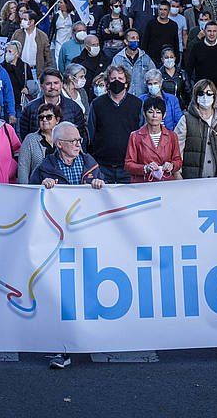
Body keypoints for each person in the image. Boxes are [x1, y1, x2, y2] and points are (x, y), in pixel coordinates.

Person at [31, 119, 104, 371]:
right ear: (59, 144)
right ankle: (62, 348)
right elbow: (29, 196)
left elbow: (107, 198)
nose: (78, 144)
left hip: (86, 240)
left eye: (79, 140)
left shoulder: (90, 164)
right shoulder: (45, 168)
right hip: (58, 243)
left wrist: (98, 186)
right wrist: (43, 187)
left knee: (87, 290)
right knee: (61, 294)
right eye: (73, 141)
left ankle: (88, 338)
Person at [86, 65, 144, 183]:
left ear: (126, 83)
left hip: (129, 166)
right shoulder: (97, 104)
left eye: (120, 79)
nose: (116, 81)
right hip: (102, 166)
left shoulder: (137, 104)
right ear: (107, 82)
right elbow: (90, 134)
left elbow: (142, 133)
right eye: (113, 79)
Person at [181, 79, 217, 180]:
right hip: (192, 178)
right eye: (201, 93)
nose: (205, 97)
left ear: (214, 96)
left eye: (209, 93)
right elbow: (178, 149)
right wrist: (178, 173)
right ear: (195, 96)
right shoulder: (185, 119)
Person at [125, 96, 182, 182]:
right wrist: (145, 168)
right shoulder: (135, 136)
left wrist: (171, 165)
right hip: (143, 183)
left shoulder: (172, 136)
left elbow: (178, 160)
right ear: (144, 114)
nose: (154, 116)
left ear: (164, 115)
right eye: (150, 112)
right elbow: (128, 164)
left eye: (158, 112)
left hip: (166, 182)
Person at [16, 102, 60, 185]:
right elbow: (23, 168)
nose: (44, 119)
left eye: (49, 117)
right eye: (41, 117)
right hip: (37, 189)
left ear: (57, 120)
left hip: (60, 190)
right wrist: (25, 190)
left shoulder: (65, 138)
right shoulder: (30, 139)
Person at [112, 28, 156, 98]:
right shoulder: (117, 59)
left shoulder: (146, 58)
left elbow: (154, 75)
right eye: (133, 38)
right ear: (126, 41)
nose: (136, 40)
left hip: (143, 98)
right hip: (125, 99)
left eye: (137, 38)